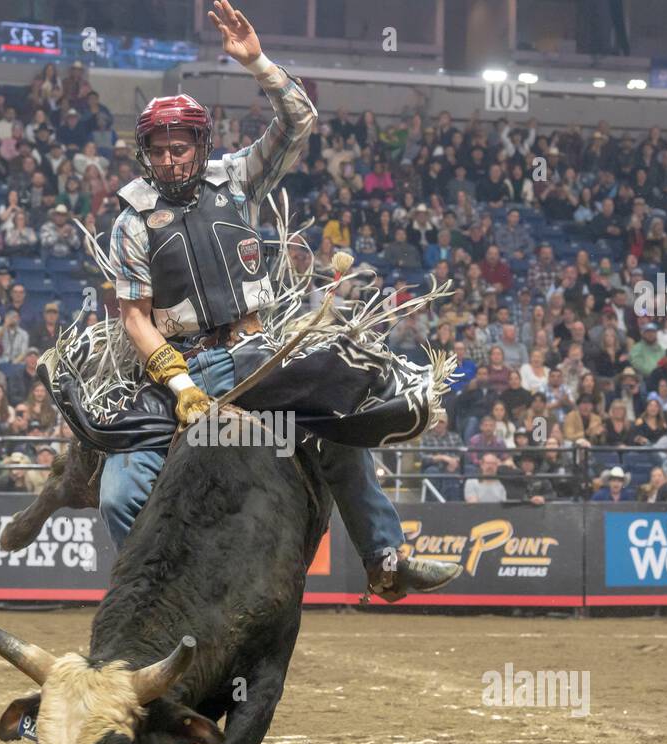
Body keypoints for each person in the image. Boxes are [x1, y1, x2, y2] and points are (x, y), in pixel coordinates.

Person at [54, 2, 457, 598]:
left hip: (256, 354)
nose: (169, 158)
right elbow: (135, 320)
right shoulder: (131, 219)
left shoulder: (237, 179)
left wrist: (258, 63)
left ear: (200, 143)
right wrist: (181, 385)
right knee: (119, 491)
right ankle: (155, 598)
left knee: (339, 418)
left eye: (180, 146)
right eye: (158, 148)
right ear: (145, 151)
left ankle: (384, 559)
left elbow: (298, 122)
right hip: (181, 371)